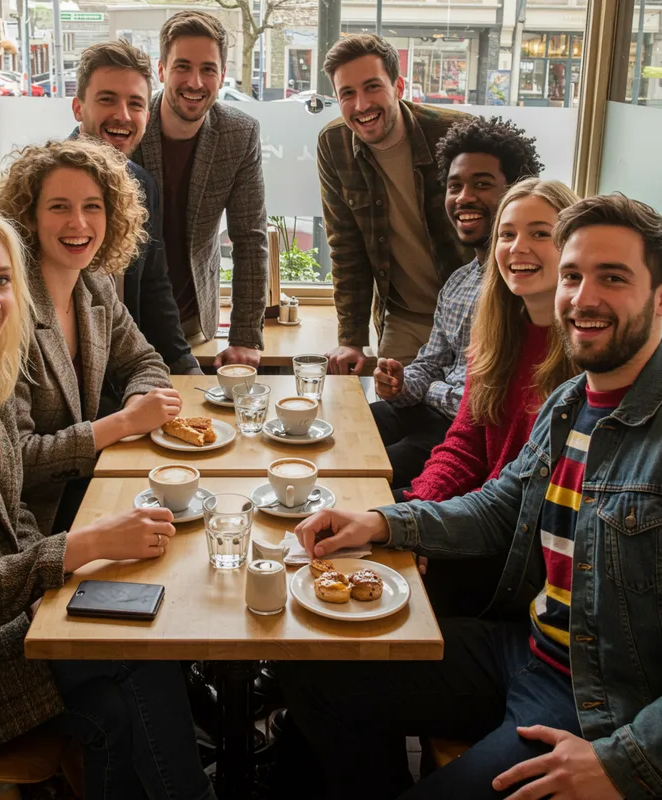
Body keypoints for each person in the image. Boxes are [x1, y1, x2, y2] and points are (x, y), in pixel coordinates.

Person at [281, 193, 662, 799]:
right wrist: (382, 522)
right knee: (313, 673)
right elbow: (498, 506)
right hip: (526, 648)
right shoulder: (569, 403)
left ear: (659, 296)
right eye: (573, 276)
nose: (583, 298)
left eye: (613, 278)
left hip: (600, 704)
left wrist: (629, 761)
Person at [0, 193, 215, 800]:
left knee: (130, 664)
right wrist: (73, 551)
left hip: (2, 627)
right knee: (133, 657)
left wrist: (53, 589)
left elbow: (16, 517)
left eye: (1, 280)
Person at [404, 178, 580, 617]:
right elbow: (465, 446)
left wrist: (424, 529)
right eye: (507, 234)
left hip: (521, 552)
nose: (518, 247)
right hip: (475, 516)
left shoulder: (589, 353)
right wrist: (420, 508)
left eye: (540, 233)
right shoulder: (498, 335)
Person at [0, 138, 179, 536]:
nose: (78, 223)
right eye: (59, 207)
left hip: (94, 487)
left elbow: (144, 361)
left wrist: (138, 403)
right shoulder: (4, 309)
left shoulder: (94, 284)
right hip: (33, 522)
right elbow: (17, 458)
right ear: (29, 217)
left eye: (92, 206)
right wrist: (124, 423)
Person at [371, 116, 544, 487]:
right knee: (344, 432)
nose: (464, 197)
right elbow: (432, 361)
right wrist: (400, 383)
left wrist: (430, 391)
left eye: (482, 184)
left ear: (514, 192)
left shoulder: (525, 290)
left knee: (367, 472)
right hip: (428, 411)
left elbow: (485, 406)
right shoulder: (458, 281)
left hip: (466, 434)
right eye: (455, 186)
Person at [318, 34, 472, 374]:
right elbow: (345, 246)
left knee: (468, 407)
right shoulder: (334, 144)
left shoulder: (456, 133)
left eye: (372, 87)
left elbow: (505, 228)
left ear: (398, 87)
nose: (361, 105)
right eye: (347, 93)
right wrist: (352, 339)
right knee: (389, 405)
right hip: (404, 319)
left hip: (473, 316)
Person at [134, 10, 268, 368]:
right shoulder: (130, 126)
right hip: (125, 321)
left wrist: (244, 336)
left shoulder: (239, 134)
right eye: (183, 66)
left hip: (193, 324)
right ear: (162, 70)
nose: (195, 82)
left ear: (222, 75)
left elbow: (250, 238)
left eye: (208, 69)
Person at [71, 39, 201, 375]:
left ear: (147, 115)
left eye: (135, 104)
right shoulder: (43, 186)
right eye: (107, 99)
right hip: (68, 382)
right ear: (78, 108)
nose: (123, 115)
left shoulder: (143, 185)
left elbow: (154, 288)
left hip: (129, 374)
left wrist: (187, 369)